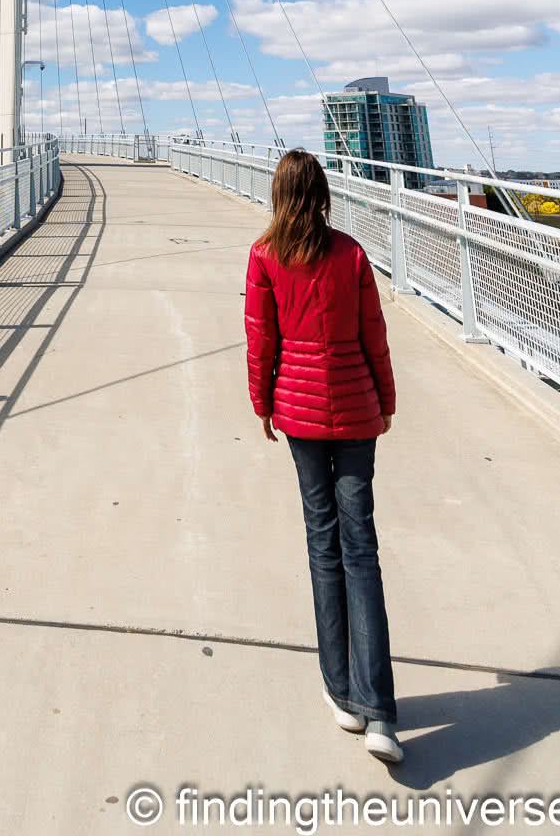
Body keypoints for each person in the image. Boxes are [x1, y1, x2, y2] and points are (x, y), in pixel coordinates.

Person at [244, 148, 402, 765]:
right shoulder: (352, 253)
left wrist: (262, 403)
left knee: (323, 545)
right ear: (323, 191)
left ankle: (341, 693)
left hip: (300, 415)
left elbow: (262, 339)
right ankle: (380, 713)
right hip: (357, 409)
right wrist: (385, 399)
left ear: (279, 194)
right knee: (362, 550)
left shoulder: (264, 256)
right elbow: (375, 335)